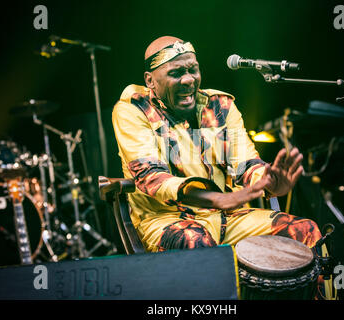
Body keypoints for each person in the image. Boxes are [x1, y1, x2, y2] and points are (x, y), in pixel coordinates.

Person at [112, 36, 322, 253]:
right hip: (166, 220)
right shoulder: (133, 110)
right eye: (175, 73)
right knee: (197, 242)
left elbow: (245, 163)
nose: (188, 80)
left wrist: (269, 182)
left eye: (192, 70)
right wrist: (219, 199)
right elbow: (152, 177)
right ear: (150, 80)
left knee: (305, 231)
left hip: (226, 218)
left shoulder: (220, 106)